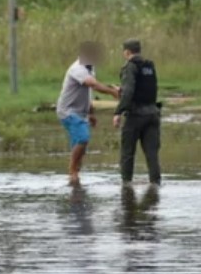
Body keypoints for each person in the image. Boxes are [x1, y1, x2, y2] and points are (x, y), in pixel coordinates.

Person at [57, 42, 119, 185]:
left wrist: (90, 113)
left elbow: (87, 92)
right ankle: (72, 172)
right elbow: (93, 85)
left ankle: (75, 177)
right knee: (83, 139)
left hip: (80, 112)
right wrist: (112, 92)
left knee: (80, 146)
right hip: (68, 110)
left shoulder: (90, 67)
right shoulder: (77, 69)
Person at [113, 39, 162, 185]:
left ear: (127, 52)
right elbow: (148, 88)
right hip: (153, 114)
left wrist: (118, 112)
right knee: (152, 154)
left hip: (136, 115)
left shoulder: (130, 67)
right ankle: (155, 184)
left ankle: (126, 186)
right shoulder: (149, 66)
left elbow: (129, 91)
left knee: (127, 153)